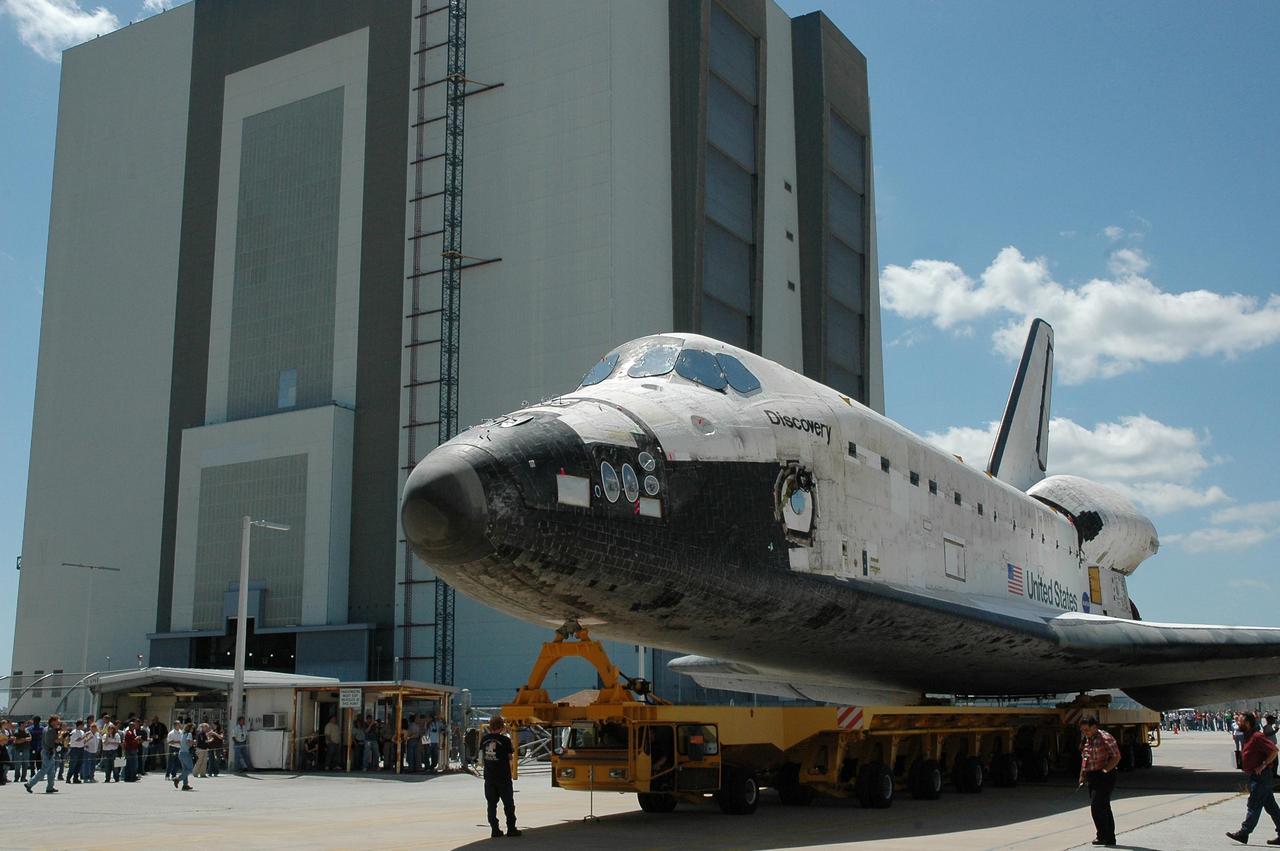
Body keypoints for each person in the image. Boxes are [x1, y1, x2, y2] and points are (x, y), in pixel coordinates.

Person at [1227, 712, 1280, 845]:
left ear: (1248, 723)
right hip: (1256, 777)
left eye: (1240, 721)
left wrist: (1263, 765)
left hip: (1261, 777)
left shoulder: (1257, 736)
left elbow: (1274, 751)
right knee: (1272, 808)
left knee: (1254, 805)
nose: (1238, 723)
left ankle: (1244, 833)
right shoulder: (1248, 736)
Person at [1078, 715, 1121, 848]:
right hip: (1093, 775)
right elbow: (1085, 758)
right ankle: (1108, 837)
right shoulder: (1087, 739)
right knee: (1104, 806)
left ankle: (1103, 835)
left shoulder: (1105, 738)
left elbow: (1116, 756)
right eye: (1083, 730)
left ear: (1095, 727)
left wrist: (1105, 771)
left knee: (1097, 806)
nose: (1085, 732)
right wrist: (1082, 775)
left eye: (1087, 729)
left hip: (1105, 774)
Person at [479, 715, 521, 838]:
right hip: (503, 776)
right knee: (508, 804)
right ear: (502, 727)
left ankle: (494, 829)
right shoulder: (505, 740)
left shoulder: (484, 739)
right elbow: (510, 757)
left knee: (491, 804)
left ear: (490, 726)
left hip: (489, 777)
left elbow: (481, 756)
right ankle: (511, 829)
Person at [23, 714, 62, 794]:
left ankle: (50, 787)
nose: (58, 722)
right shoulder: (50, 730)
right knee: (44, 770)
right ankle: (29, 784)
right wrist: (58, 740)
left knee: (51, 771)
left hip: (47, 751)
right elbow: (50, 741)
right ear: (53, 721)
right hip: (48, 752)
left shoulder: (46, 728)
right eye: (57, 721)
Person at [173, 722, 195, 791]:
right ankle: (178, 779)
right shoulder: (189, 734)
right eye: (192, 728)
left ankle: (185, 785)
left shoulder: (183, 734)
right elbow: (189, 742)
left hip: (181, 753)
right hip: (186, 753)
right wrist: (193, 742)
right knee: (190, 768)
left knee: (185, 769)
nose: (193, 730)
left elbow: (181, 742)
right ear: (190, 728)